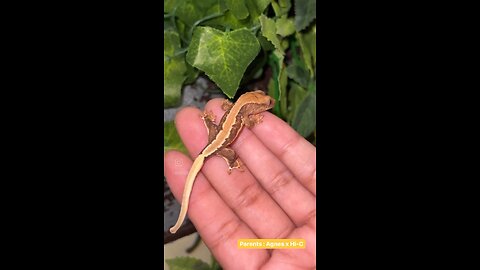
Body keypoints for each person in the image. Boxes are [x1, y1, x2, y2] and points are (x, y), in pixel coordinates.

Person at [164, 97, 316, 269]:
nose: (268, 104)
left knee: (214, 137)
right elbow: (248, 122)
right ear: (251, 105)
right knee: (231, 155)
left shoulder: (235, 109)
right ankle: (231, 162)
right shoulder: (244, 115)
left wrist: (211, 119)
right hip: (219, 146)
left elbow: (224, 106)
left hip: (217, 136)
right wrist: (252, 122)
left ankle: (210, 127)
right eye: (265, 104)